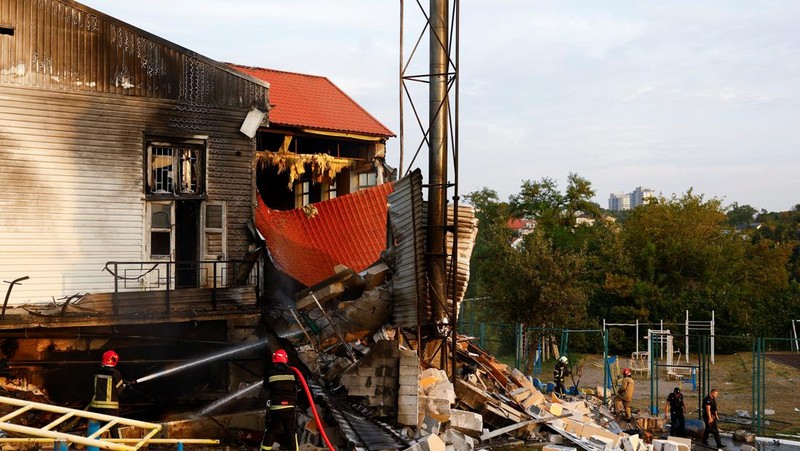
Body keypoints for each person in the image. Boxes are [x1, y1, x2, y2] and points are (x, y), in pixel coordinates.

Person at [261, 349, 299, 451]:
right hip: (290, 408)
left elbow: (266, 388)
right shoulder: (293, 372)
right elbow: (297, 387)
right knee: (290, 432)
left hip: (275, 408)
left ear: (274, 360)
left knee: (271, 431)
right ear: (286, 359)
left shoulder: (269, 373)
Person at [88, 350, 124, 438]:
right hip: (110, 408)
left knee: (95, 430)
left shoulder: (96, 372)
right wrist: (123, 386)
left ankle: (92, 446)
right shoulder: (115, 373)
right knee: (114, 429)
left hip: (95, 406)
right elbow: (120, 391)